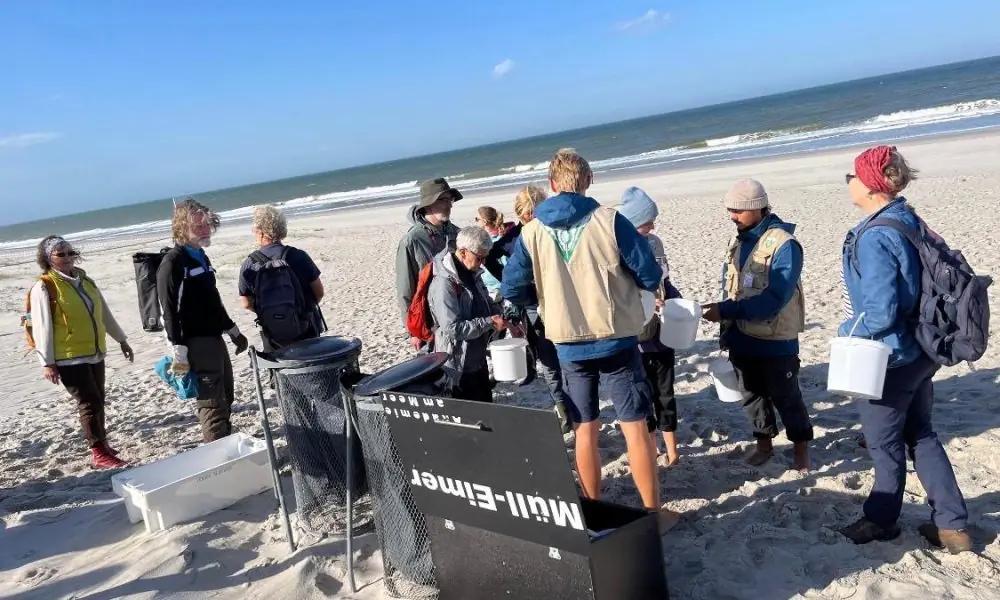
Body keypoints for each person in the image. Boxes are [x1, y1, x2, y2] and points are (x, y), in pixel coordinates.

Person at [501, 149, 673, 527]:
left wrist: (545, 299)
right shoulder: (610, 221)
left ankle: (594, 508)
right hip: (614, 337)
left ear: (552, 184)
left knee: (585, 428)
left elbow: (511, 287)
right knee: (635, 427)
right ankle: (652, 514)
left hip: (566, 342)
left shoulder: (531, 232)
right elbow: (647, 274)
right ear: (589, 180)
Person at [837, 146, 971, 553]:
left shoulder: (875, 235)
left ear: (873, 186)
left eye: (855, 176)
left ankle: (881, 520)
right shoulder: (907, 218)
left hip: (890, 356)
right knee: (921, 433)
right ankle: (953, 526)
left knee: (884, 443)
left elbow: (879, 311)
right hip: (922, 348)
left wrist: (845, 331)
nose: (849, 182)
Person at [701, 179, 813, 472]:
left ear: (758, 208)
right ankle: (764, 444)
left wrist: (726, 310)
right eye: (730, 210)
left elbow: (775, 298)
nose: (732, 216)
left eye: (738, 210)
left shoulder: (785, 246)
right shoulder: (737, 241)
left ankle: (800, 449)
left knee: (786, 396)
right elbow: (730, 286)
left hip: (776, 340)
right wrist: (724, 323)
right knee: (751, 395)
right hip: (741, 336)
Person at [27, 236, 134, 469]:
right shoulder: (45, 286)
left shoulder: (86, 281)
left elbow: (104, 313)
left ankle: (102, 444)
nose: (67, 258)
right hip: (68, 356)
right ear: (47, 259)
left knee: (99, 400)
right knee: (89, 401)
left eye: (70, 252)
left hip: (94, 351)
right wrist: (47, 362)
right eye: (60, 254)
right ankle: (98, 453)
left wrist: (122, 340)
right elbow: (42, 326)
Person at [157, 198, 249, 443]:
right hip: (194, 343)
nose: (205, 230)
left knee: (226, 395)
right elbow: (169, 311)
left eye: (208, 224)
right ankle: (218, 454)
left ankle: (225, 442)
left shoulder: (200, 256)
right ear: (181, 229)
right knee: (211, 403)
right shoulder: (173, 262)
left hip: (214, 338)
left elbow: (212, 299)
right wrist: (178, 351)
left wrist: (232, 330)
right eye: (198, 227)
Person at [484, 185, 572, 433]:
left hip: (553, 301)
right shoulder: (517, 238)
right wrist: (513, 283)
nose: (530, 218)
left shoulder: (549, 230)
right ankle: (563, 409)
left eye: (532, 213)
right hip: (535, 304)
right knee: (550, 360)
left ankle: (569, 408)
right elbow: (490, 258)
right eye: (527, 214)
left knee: (562, 358)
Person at [616, 187, 682, 466]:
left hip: (662, 332)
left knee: (665, 392)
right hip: (633, 335)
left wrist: (677, 301)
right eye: (647, 221)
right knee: (642, 395)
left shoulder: (655, 243)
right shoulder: (616, 248)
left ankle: (673, 451)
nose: (653, 226)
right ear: (632, 222)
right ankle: (651, 447)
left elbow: (665, 283)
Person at [429, 227, 510, 402]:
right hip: (457, 366)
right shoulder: (444, 284)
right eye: (479, 257)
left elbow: (486, 302)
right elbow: (452, 328)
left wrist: (501, 316)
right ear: (463, 252)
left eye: (485, 258)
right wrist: (489, 322)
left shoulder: (473, 272)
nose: (482, 263)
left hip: (477, 360)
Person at [238, 205, 325, 352]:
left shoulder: (249, 264)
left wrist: (270, 313)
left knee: (279, 370)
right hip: (305, 328)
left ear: (260, 232)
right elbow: (319, 292)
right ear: (282, 229)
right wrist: (302, 309)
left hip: (273, 334)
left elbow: (246, 303)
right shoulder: (298, 255)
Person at [396, 178, 462, 350]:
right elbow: (406, 290)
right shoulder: (412, 241)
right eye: (443, 200)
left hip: (460, 316)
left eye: (450, 199)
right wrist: (413, 331)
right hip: (431, 323)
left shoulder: (457, 234)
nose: (449, 205)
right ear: (428, 204)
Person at [475, 206, 515, 301]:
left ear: (484, 222)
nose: (475, 222)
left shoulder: (498, 242)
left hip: (496, 288)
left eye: (477, 219)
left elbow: (506, 265)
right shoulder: (488, 239)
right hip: (488, 286)